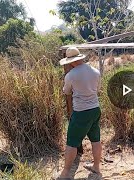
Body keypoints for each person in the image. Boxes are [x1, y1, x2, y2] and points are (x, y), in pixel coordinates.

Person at [58, 47, 102, 179]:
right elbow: (97, 89)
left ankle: (65, 173)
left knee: (72, 142)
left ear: (71, 61)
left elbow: (66, 91)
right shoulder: (95, 71)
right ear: (81, 58)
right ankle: (96, 168)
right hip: (95, 109)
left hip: (81, 112)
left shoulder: (70, 75)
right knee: (96, 140)